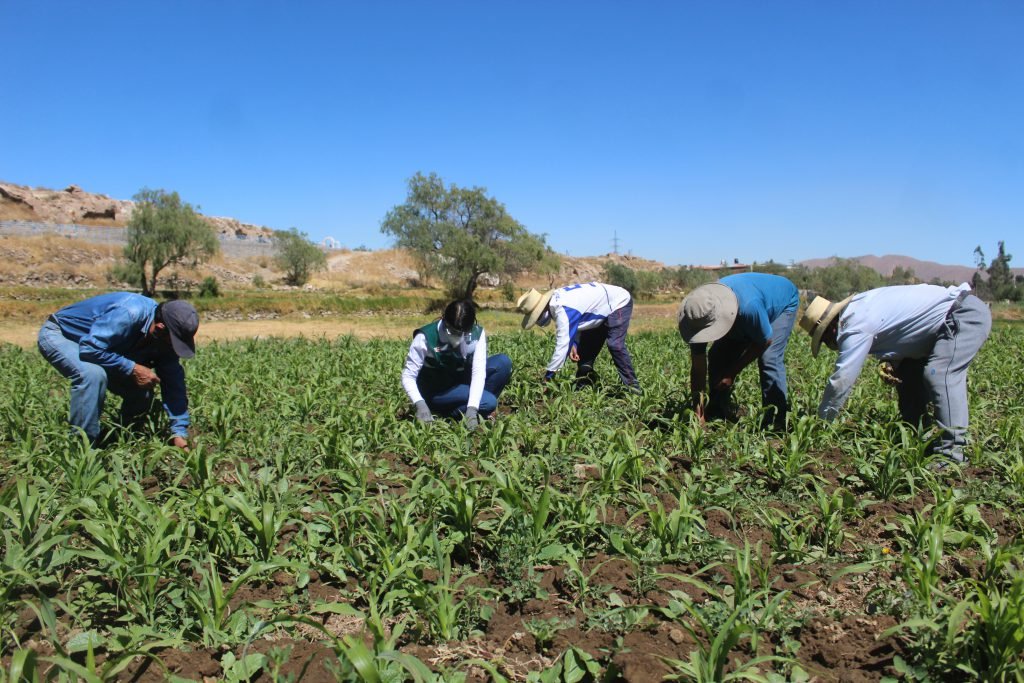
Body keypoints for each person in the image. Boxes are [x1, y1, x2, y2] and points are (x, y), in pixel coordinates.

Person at [800, 282, 991, 465]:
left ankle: (952, 455)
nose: (829, 345)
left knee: (940, 374)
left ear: (831, 328)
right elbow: (904, 326)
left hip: (961, 315)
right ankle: (919, 439)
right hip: (940, 325)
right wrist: (892, 360)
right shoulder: (859, 307)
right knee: (906, 374)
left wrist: (821, 424)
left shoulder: (853, 324)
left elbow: (842, 379)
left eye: (824, 340)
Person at [37, 292, 199, 448]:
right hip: (63, 334)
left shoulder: (165, 340)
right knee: (92, 374)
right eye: (174, 341)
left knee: (142, 387)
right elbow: (90, 348)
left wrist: (179, 432)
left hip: (102, 347)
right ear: (160, 327)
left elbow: (173, 383)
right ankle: (81, 448)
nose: (173, 346)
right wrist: (133, 368)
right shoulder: (130, 313)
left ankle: (124, 436)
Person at [677, 273, 799, 429]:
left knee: (769, 358)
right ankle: (717, 408)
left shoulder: (748, 308)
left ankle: (776, 421)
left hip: (782, 301)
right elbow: (698, 369)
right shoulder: (694, 316)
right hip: (746, 307)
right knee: (717, 355)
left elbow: (765, 341)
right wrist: (698, 413)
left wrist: (732, 372)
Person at [401, 300, 512, 430]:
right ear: (444, 321)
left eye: (464, 333)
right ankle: (449, 412)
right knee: (489, 402)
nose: (459, 337)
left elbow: (478, 372)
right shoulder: (425, 337)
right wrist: (420, 404)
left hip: (462, 381)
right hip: (439, 391)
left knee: (502, 363)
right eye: (453, 332)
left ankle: (471, 409)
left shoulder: (476, 333)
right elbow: (408, 376)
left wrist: (472, 408)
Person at [516, 282, 641, 392]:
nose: (537, 320)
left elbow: (562, 346)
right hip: (599, 307)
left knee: (615, 345)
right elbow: (580, 318)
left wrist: (549, 376)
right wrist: (575, 344)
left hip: (618, 302)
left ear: (542, 309)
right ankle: (585, 383)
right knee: (584, 352)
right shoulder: (557, 300)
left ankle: (633, 387)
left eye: (536, 316)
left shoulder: (561, 308)